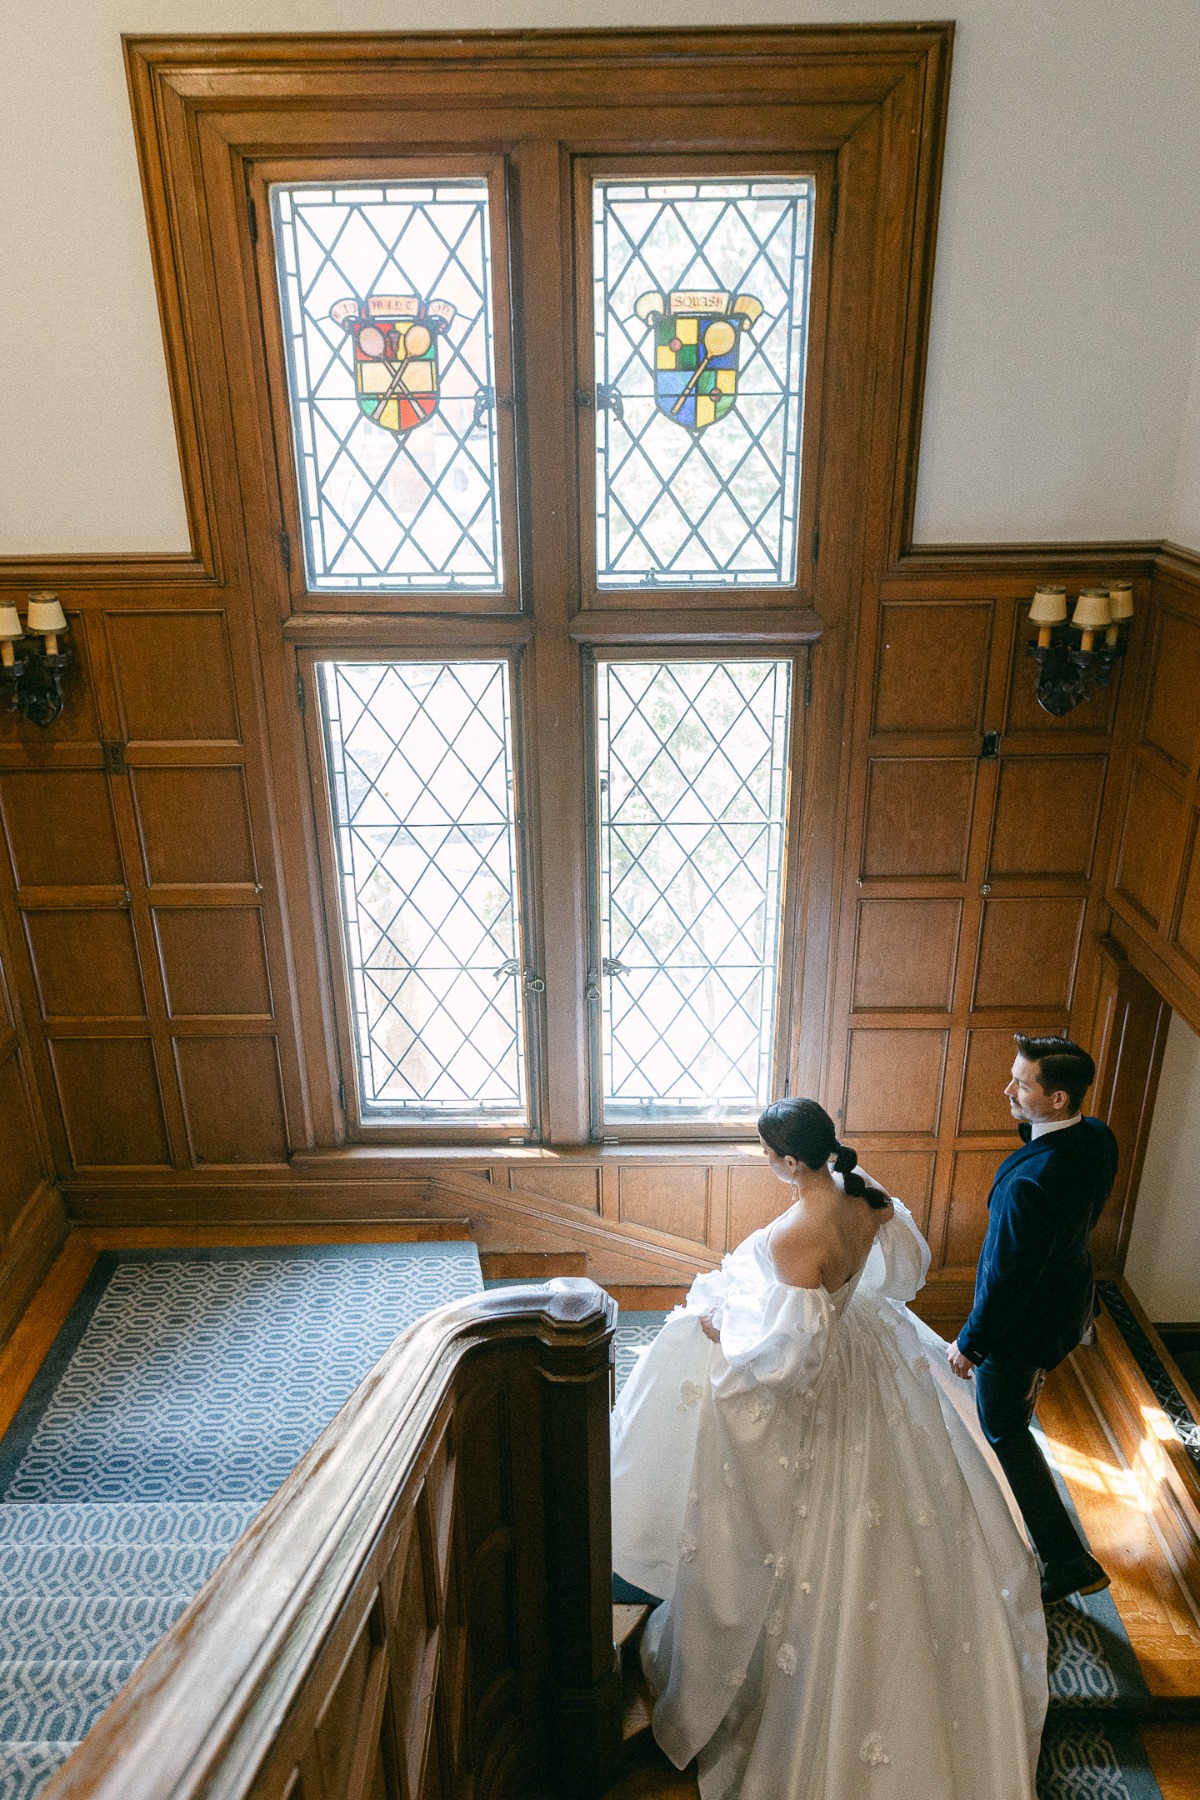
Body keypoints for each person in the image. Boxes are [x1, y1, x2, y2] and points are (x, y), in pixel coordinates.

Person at [611, 1097, 1047, 1800]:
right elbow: (904, 1273)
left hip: (828, 1388)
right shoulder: (864, 1191)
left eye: (766, 1155)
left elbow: (793, 1359)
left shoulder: (796, 1230)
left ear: (787, 1161)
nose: (766, 1163)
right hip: (872, 1354)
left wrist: (727, 1337)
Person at [946, 1034, 1119, 1605]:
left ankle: (1069, 1560)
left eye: (1022, 1083)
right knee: (1015, 1413)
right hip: (1067, 1304)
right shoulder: (1097, 1139)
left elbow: (1008, 1279)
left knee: (1006, 1431)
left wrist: (971, 1344)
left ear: (1060, 1099)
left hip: (1022, 1331)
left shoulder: (1028, 1184)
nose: (1008, 1089)